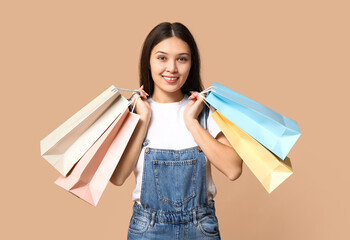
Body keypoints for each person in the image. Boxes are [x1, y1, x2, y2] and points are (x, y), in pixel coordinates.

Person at [110, 22, 243, 240]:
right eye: (162, 58)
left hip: (201, 229)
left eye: (182, 59)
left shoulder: (205, 111)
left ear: (191, 63)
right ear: (148, 61)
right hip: (148, 229)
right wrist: (143, 121)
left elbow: (233, 170)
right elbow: (117, 177)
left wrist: (192, 122)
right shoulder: (134, 112)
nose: (172, 68)